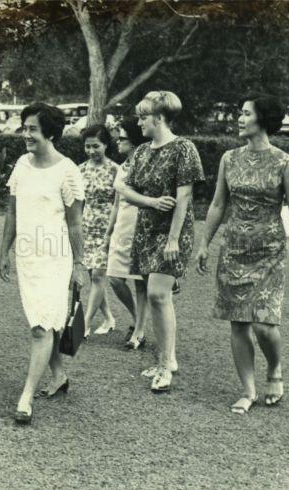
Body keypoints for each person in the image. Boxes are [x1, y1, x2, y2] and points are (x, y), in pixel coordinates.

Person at [195, 93, 289, 415]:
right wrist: (204, 243)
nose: (239, 118)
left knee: (264, 324)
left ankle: (274, 371)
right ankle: (247, 390)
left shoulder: (285, 163)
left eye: (245, 113)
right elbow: (218, 204)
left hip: (269, 251)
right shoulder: (229, 159)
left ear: (262, 118)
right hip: (233, 249)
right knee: (238, 323)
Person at [0, 102, 87, 424]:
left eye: (32, 129)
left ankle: (25, 396)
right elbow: (11, 211)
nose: (26, 134)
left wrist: (79, 264)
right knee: (44, 322)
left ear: (49, 132)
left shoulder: (68, 171)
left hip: (55, 258)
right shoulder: (21, 164)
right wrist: (3, 251)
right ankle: (59, 375)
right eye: (24, 128)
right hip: (27, 257)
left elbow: (75, 224)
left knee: (40, 327)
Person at [114, 91, 204, 393]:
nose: (139, 122)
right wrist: (151, 202)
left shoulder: (183, 149)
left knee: (157, 295)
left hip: (173, 233)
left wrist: (174, 239)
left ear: (160, 118)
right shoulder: (141, 152)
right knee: (157, 297)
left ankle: (165, 366)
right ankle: (169, 358)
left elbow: (184, 198)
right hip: (146, 230)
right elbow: (124, 189)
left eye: (143, 117)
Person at [105, 117, 150, 349]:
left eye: (121, 138)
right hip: (122, 227)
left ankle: (139, 332)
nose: (117, 142)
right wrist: (109, 231)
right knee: (114, 278)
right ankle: (136, 318)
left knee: (141, 282)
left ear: (133, 142)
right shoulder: (122, 167)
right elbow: (116, 202)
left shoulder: (147, 164)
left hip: (141, 226)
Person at [79, 124, 119, 337]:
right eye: (88, 146)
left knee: (97, 276)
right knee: (94, 276)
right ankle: (109, 317)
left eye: (96, 146)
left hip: (108, 228)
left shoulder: (116, 170)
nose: (92, 151)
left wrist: (113, 230)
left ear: (106, 145)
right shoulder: (81, 169)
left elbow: (120, 202)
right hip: (86, 227)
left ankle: (83, 325)